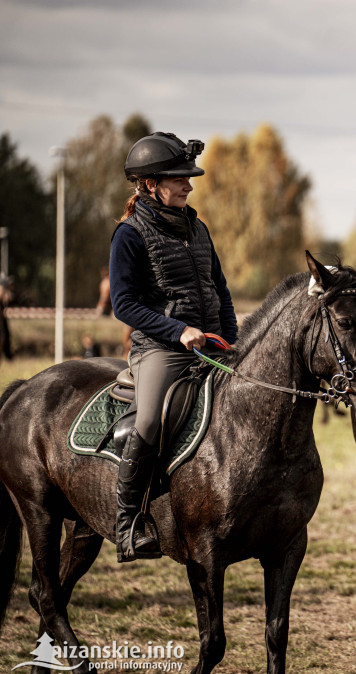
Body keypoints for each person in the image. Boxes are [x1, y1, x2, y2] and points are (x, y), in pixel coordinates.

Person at [109, 132, 238, 562]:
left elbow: (219, 289)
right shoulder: (128, 235)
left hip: (212, 344)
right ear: (150, 184)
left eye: (190, 177)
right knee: (148, 421)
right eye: (179, 178)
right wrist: (176, 329)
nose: (189, 185)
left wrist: (233, 337)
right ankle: (127, 523)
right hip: (161, 349)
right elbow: (123, 304)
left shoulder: (198, 227)